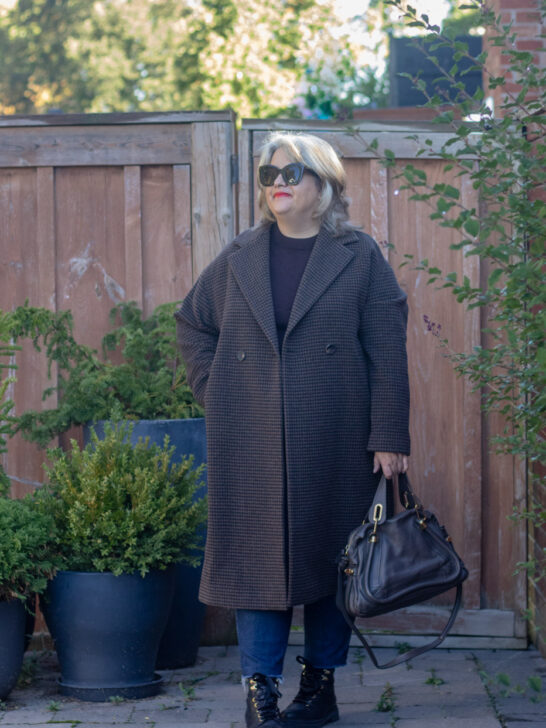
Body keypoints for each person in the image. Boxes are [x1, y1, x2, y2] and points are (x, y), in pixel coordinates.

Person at [175, 132, 410, 728]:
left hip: (334, 437)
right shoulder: (240, 256)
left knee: (333, 565)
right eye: (268, 174)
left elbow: (387, 349)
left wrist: (389, 435)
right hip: (250, 439)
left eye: (292, 171)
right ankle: (261, 695)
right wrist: (216, 389)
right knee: (256, 569)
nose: (277, 181)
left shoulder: (358, 256)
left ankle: (319, 688)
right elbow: (192, 324)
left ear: (325, 184)